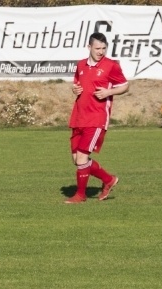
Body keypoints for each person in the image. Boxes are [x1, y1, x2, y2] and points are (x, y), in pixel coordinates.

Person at [65, 32, 129, 204]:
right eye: (97, 48)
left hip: (96, 118)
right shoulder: (80, 65)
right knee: (77, 160)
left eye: (104, 48)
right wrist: (75, 89)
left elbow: (124, 85)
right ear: (89, 47)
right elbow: (77, 84)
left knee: (82, 158)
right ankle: (108, 179)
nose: (101, 51)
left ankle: (80, 195)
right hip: (78, 116)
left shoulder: (111, 66)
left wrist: (109, 91)